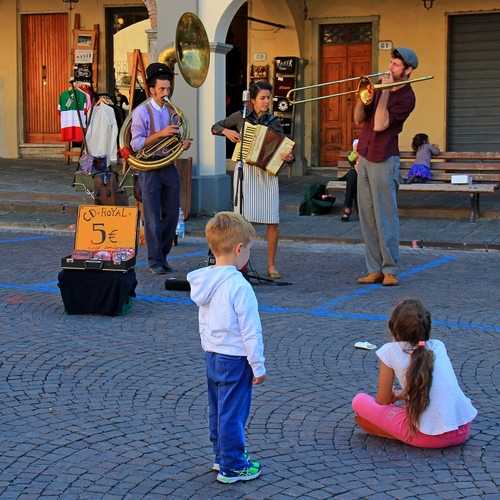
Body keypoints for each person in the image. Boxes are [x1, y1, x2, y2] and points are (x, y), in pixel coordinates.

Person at [187, 212, 266, 483]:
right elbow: (250, 331)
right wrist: (258, 365)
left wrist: (208, 347)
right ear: (239, 249)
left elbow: (204, 321)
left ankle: (221, 455)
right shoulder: (239, 286)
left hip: (213, 354)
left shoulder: (206, 281)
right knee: (233, 413)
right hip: (236, 358)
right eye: (249, 249)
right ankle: (232, 465)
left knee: (218, 409)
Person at [352, 299, 477, 448]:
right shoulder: (438, 346)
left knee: (359, 400)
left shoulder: (390, 351)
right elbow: (432, 388)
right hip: (462, 429)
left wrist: (392, 395)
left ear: (394, 328)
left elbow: (383, 401)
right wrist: (400, 394)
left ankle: (393, 430)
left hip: (429, 437)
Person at [211, 81, 295, 279]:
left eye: (268, 98)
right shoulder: (241, 117)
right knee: (242, 220)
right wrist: (227, 132)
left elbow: (284, 148)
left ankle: (271, 265)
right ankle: (241, 264)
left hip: (267, 174)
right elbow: (215, 127)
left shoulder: (274, 121)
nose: (266, 101)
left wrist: (289, 157)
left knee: (272, 220)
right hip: (246, 172)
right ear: (253, 100)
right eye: (262, 98)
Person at [354, 47, 419, 287]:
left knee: (385, 217)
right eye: (391, 62)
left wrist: (383, 93)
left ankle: (390, 270)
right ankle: (374, 269)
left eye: (396, 65)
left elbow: (380, 124)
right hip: (365, 155)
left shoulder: (407, 97)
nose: (390, 68)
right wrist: (361, 95)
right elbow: (359, 119)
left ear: (408, 70)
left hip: (384, 158)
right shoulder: (379, 86)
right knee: (368, 216)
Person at [130, 62, 192, 274]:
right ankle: (155, 260)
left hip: (167, 165)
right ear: (152, 89)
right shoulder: (141, 112)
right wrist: (161, 134)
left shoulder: (171, 111)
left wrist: (182, 144)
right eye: (162, 89)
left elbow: (174, 139)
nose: (166, 93)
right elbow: (136, 144)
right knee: (152, 216)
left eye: (168, 89)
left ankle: (163, 256)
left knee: (173, 214)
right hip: (148, 167)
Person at [341, 138, 359, 222]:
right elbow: (350, 158)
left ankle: (352, 208)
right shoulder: (354, 154)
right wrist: (354, 165)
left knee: (355, 182)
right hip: (356, 173)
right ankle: (348, 207)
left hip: (366, 174)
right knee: (351, 176)